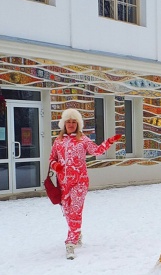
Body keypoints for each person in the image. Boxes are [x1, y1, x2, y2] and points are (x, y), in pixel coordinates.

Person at [49, 108, 122, 260]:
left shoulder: (83, 140)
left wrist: (109, 142)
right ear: (64, 124)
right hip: (63, 183)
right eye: (68, 122)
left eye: (73, 122)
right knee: (68, 212)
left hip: (80, 182)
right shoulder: (58, 141)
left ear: (78, 124)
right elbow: (52, 159)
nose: (71, 124)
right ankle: (77, 232)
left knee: (75, 210)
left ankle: (71, 243)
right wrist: (56, 166)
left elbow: (96, 151)